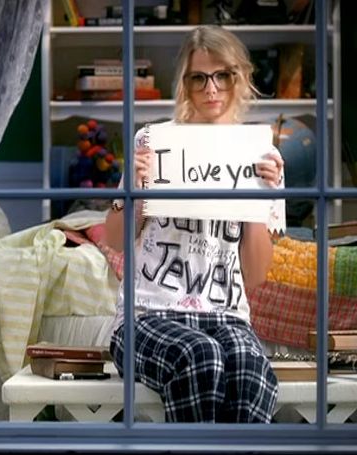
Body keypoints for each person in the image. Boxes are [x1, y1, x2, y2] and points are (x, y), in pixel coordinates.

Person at [104, 25, 283, 423]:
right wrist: (133, 188)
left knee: (251, 369)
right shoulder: (153, 142)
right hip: (148, 314)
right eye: (198, 77)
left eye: (223, 75)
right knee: (201, 355)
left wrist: (261, 198)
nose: (211, 89)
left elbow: (254, 276)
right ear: (184, 83)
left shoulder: (260, 155)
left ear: (240, 78)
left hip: (226, 315)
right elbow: (114, 240)